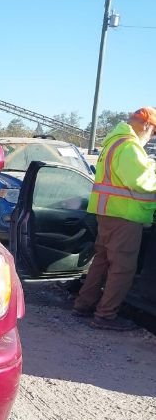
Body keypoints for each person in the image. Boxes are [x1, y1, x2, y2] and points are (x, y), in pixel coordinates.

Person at [73, 107, 156, 330]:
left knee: (101, 262)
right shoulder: (130, 146)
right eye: (153, 133)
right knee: (122, 268)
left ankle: (82, 306)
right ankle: (105, 316)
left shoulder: (114, 143)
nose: (151, 139)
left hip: (109, 213)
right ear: (147, 126)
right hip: (125, 216)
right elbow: (142, 181)